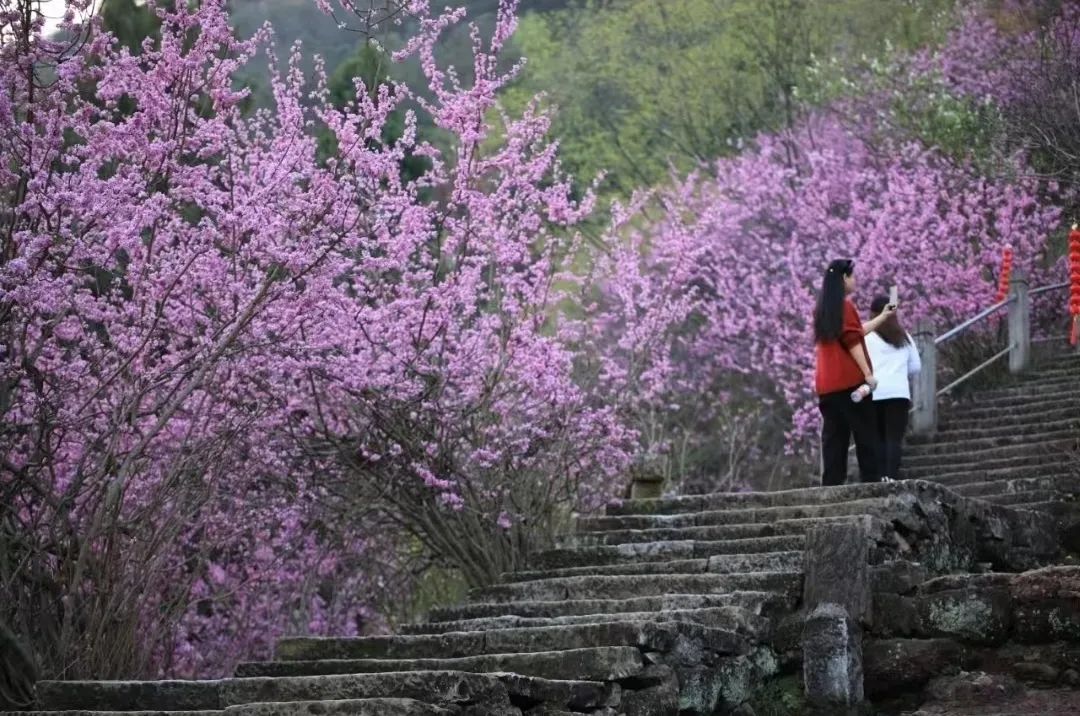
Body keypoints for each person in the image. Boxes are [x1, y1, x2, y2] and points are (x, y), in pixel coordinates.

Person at [813, 259, 893, 485]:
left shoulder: (822, 309)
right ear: (843, 279)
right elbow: (852, 341)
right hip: (850, 383)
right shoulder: (845, 307)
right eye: (852, 276)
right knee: (866, 434)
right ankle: (872, 482)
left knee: (834, 439)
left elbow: (855, 332)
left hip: (827, 385)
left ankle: (831, 487)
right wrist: (868, 374)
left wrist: (882, 318)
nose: (855, 280)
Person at [865, 294, 922, 481]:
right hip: (899, 394)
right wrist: (898, 373)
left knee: (878, 438)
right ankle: (892, 476)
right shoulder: (904, 337)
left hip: (875, 393)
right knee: (894, 438)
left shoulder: (867, 337)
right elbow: (916, 367)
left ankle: (880, 476)